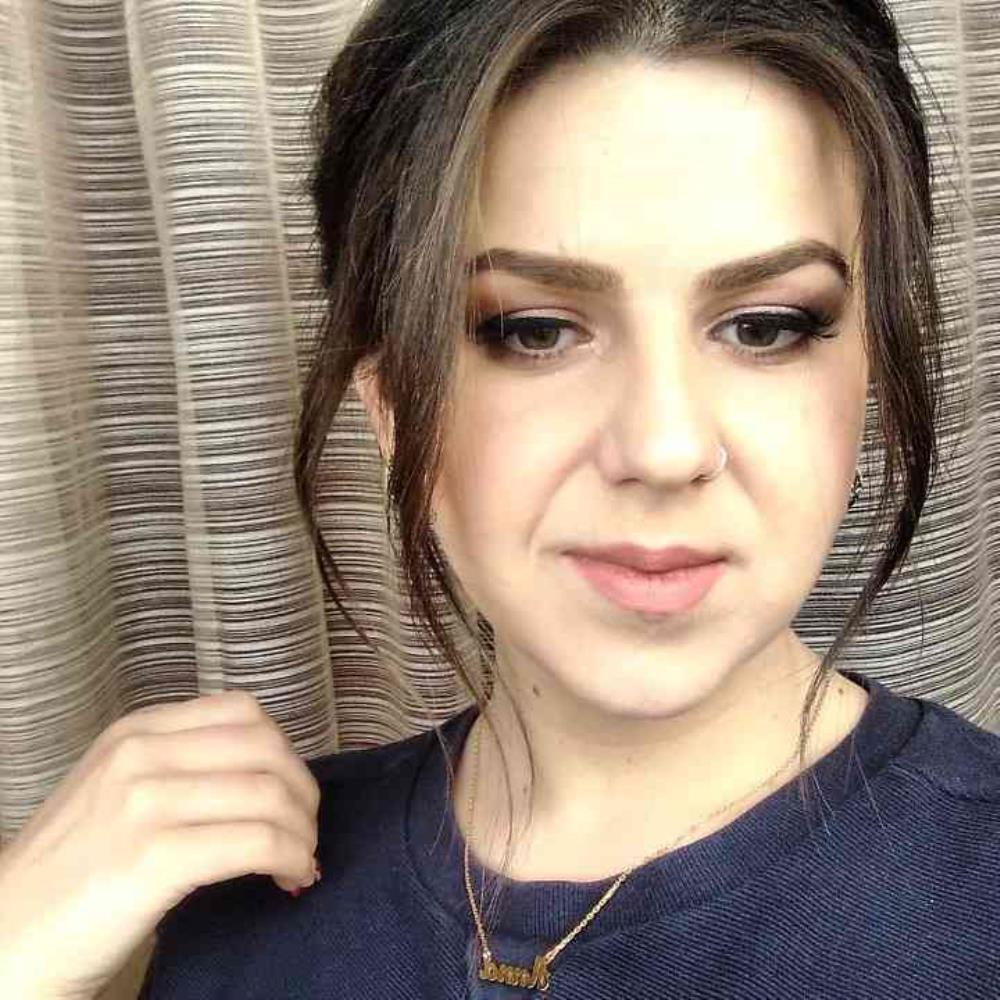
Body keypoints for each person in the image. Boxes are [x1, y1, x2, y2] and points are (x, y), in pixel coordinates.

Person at [0, 1, 996, 998]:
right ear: (391, 405)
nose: (664, 448)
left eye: (767, 326)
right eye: (533, 331)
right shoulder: (223, 901)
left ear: (867, 372)